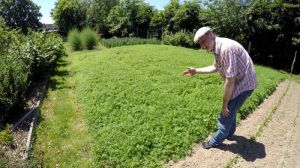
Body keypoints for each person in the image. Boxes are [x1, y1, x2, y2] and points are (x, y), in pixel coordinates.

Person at [183, 27, 258, 149]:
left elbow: (230, 80)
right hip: (240, 82)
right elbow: (215, 67)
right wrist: (196, 71)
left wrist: (224, 104)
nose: (202, 46)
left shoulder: (226, 48)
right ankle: (229, 133)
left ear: (211, 35)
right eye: (200, 43)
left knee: (225, 114)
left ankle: (214, 142)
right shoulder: (217, 47)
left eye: (203, 41)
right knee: (231, 109)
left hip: (244, 85)